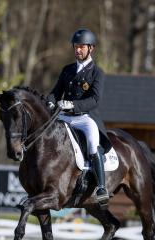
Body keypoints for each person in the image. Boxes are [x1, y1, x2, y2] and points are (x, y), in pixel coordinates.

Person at [46, 28, 112, 209]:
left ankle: (100, 188)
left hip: (84, 118)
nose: (78, 50)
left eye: (82, 47)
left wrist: (73, 105)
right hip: (64, 116)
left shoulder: (97, 73)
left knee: (92, 144)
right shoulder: (67, 70)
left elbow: (94, 100)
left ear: (91, 49)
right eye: (76, 47)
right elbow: (55, 92)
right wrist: (51, 103)